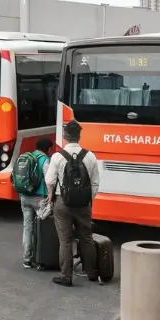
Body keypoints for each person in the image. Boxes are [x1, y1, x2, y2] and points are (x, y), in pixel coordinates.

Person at [45, 120, 101, 287]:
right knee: (86, 237)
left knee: (65, 240)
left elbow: (50, 180)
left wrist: (50, 196)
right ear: (79, 136)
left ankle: (66, 276)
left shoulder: (57, 156)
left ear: (65, 136)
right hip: (84, 204)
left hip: (62, 203)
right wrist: (87, 199)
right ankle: (91, 273)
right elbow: (95, 183)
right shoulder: (90, 156)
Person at [17, 137, 53, 269]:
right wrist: (50, 195)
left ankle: (27, 259)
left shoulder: (27, 157)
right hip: (39, 199)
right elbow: (49, 180)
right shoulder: (45, 160)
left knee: (27, 228)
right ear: (48, 149)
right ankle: (40, 259)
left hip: (24, 197)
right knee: (41, 229)